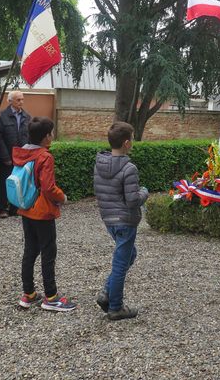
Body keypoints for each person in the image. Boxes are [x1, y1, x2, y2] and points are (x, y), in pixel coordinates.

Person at [15, 116, 75, 312]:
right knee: (48, 253)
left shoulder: (22, 152)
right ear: (46, 137)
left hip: (26, 207)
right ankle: (51, 297)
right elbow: (48, 187)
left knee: (30, 251)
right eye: (51, 133)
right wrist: (63, 197)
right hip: (42, 211)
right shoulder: (45, 156)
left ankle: (29, 294)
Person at [93, 121, 149, 321]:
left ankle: (107, 292)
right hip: (125, 221)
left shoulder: (100, 163)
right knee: (120, 263)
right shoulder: (129, 168)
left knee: (129, 255)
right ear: (126, 143)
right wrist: (145, 192)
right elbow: (133, 200)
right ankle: (116, 307)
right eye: (132, 139)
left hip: (109, 218)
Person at [0, 90, 30, 218]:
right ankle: (1, 208)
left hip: (22, 157)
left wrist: (28, 155)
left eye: (22, 99)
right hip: (7, 156)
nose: (21, 102)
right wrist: (5, 156)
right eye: (18, 100)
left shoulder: (27, 116)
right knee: (5, 181)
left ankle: (15, 208)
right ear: (10, 101)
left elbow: (29, 137)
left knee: (19, 182)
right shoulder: (2, 116)